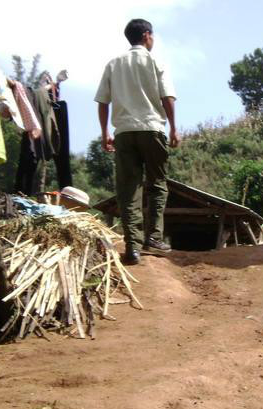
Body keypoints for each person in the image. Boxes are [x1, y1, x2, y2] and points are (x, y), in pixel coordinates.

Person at [95, 18, 180, 265]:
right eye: (152, 35)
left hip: (123, 132)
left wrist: (104, 133)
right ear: (146, 35)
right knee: (157, 184)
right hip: (153, 129)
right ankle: (154, 238)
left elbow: (103, 101)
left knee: (128, 189)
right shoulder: (156, 62)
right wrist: (174, 128)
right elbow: (168, 98)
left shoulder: (113, 64)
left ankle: (132, 246)